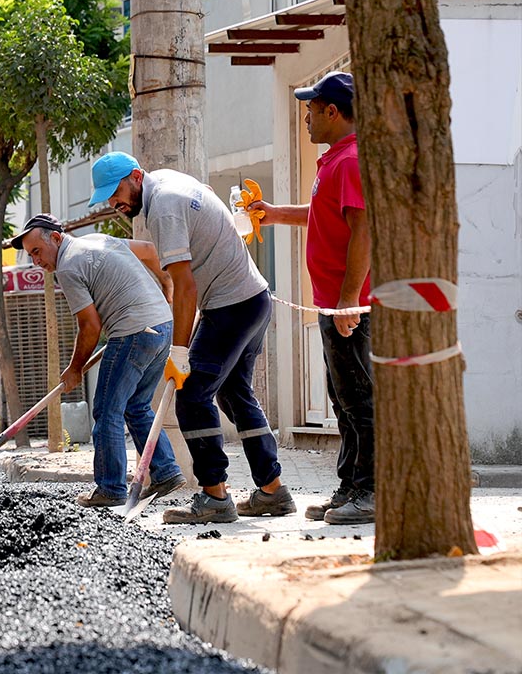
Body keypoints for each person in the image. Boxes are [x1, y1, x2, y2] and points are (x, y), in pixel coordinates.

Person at [90, 151, 295, 524]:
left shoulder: (163, 206)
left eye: (115, 192)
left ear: (136, 176)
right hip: (252, 299)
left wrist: (179, 350)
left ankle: (214, 496)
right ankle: (272, 490)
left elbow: (185, 287)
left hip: (232, 304)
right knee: (234, 394)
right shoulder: (168, 183)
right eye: (107, 196)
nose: (113, 203)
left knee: (192, 395)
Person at [247, 71, 374, 525]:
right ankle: (350, 487)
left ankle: (371, 491)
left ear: (333, 112)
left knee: (359, 399)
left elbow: (363, 232)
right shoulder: (335, 161)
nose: (306, 118)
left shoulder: (351, 160)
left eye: (311, 109)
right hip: (332, 304)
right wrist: (276, 213)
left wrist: (347, 302)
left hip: (348, 307)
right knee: (341, 400)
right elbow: (327, 215)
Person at [10, 214, 186, 507]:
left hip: (133, 333)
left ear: (55, 238)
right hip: (162, 327)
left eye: (37, 252)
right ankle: (166, 471)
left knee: (107, 411)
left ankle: (110, 488)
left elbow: (89, 326)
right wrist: (165, 285)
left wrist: (75, 368)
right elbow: (150, 250)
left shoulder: (68, 266)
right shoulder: (98, 240)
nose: (36, 262)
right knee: (137, 406)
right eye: (30, 256)